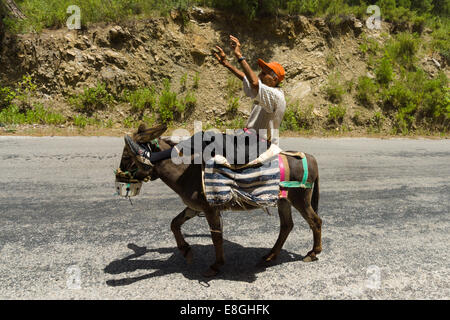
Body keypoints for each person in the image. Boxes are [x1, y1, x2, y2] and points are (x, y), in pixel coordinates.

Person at [125, 35, 286, 167]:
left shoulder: (274, 96)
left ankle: (151, 158)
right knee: (206, 136)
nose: (259, 73)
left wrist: (239, 55)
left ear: (273, 79)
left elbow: (254, 83)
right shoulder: (270, 93)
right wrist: (226, 64)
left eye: (264, 72)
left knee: (204, 139)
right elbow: (247, 80)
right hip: (247, 141)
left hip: (254, 147)